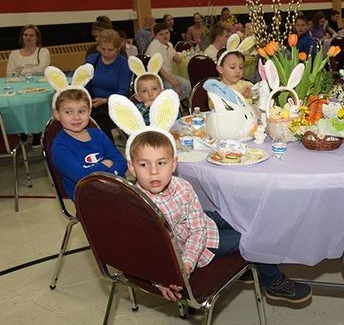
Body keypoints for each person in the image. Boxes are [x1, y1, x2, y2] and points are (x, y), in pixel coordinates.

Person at [108, 89, 312, 304]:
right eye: (143, 164)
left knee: (244, 217)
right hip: (193, 245)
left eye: (161, 163)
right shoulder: (134, 204)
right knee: (253, 238)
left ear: (174, 163)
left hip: (198, 225)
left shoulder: (182, 187)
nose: (153, 172)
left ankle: (251, 265)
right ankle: (273, 281)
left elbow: (197, 225)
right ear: (131, 167)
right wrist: (165, 276)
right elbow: (139, 249)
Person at [50, 87, 127, 200]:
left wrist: (109, 178)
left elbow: (121, 161)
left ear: (89, 111)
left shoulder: (98, 134)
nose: (76, 117)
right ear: (57, 114)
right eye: (68, 112)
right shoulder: (60, 147)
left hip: (114, 188)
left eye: (82, 111)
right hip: (87, 198)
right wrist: (105, 165)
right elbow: (82, 177)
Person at [85, 29, 132, 141]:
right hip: (92, 101)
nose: (106, 53)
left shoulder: (123, 64)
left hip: (113, 103)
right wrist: (86, 98)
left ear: (118, 48)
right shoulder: (92, 60)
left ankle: (106, 148)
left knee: (101, 119)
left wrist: (105, 100)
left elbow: (123, 90)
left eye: (110, 50)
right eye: (103, 49)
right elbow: (84, 83)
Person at [146, 22, 190, 101]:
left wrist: (177, 52)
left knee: (187, 85)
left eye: (167, 33)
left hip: (168, 75)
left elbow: (178, 60)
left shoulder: (168, 44)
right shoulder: (155, 45)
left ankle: (175, 104)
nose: (165, 36)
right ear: (156, 36)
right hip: (157, 77)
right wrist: (171, 80)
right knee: (172, 90)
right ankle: (170, 105)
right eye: (161, 34)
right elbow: (159, 68)